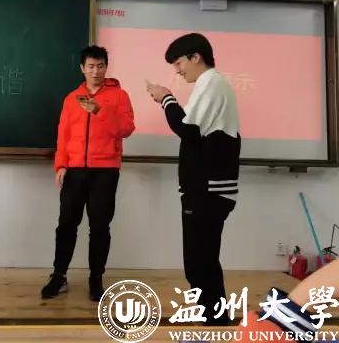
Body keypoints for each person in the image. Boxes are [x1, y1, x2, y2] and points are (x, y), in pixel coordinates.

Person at [147, 32, 240, 325]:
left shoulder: (211, 83)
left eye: (178, 63)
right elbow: (195, 131)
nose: (177, 70)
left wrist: (166, 98)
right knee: (203, 261)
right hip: (207, 190)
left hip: (207, 191)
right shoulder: (211, 84)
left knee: (199, 262)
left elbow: (188, 130)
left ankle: (215, 322)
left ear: (196, 57)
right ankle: (215, 319)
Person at [41, 45, 135, 301]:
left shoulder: (119, 96)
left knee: (100, 226)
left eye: (100, 66)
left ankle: (96, 278)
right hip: (74, 170)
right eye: (91, 66)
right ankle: (59, 275)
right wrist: (61, 165)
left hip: (105, 170)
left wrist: (99, 111)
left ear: (106, 67)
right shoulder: (71, 98)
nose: (96, 71)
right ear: (82, 68)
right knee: (66, 225)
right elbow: (63, 135)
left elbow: (126, 129)